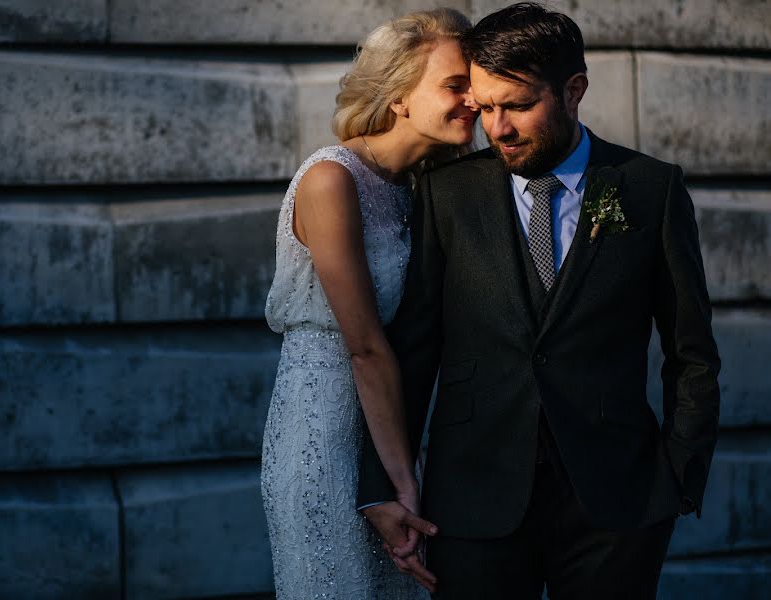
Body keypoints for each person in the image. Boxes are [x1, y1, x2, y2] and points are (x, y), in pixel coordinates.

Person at [358, 3, 721, 599]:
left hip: (617, 506)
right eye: (485, 107)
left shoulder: (650, 189)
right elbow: (413, 350)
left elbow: (693, 352)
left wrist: (679, 477)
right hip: (472, 504)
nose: (497, 128)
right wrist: (382, 486)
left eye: (519, 106)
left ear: (573, 90)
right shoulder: (447, 192)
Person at [260, 8, 477, 599]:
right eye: (455, 85)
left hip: (399, 428)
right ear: (401, 95)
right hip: (324, 428)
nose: (475, 102)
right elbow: (364, 346)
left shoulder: (423, 185)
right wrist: (401, 486)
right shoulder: (332, 180)